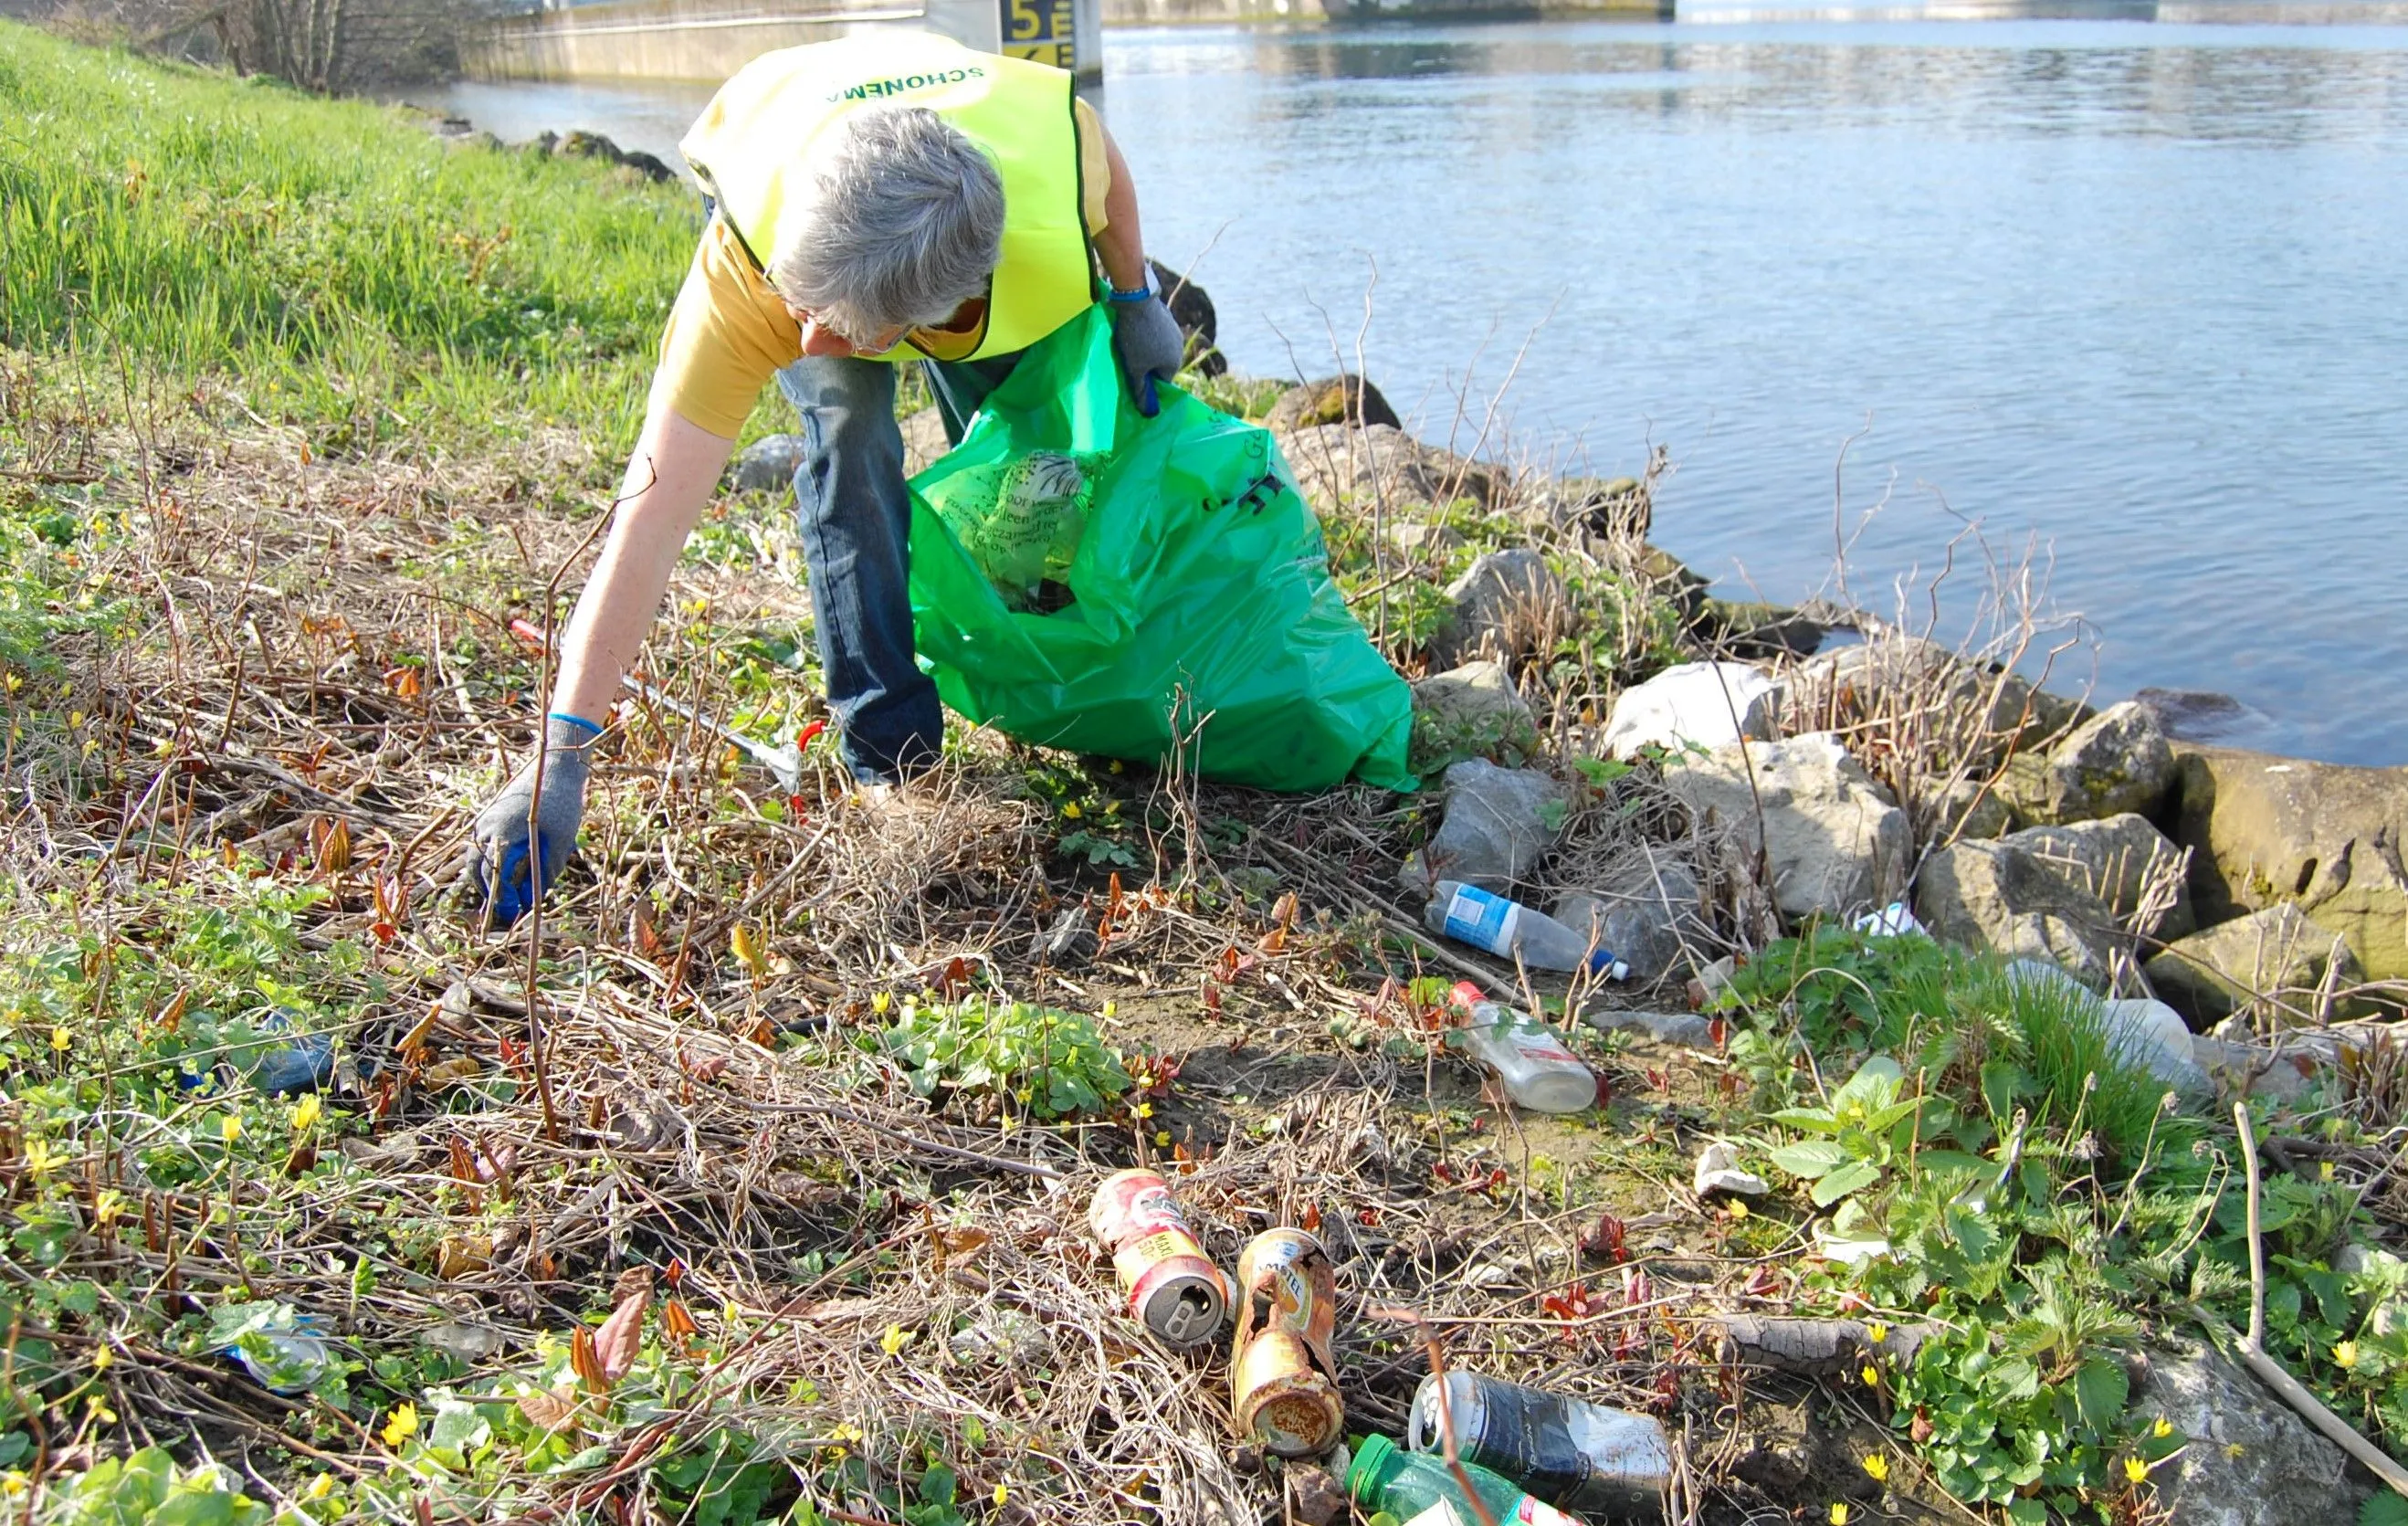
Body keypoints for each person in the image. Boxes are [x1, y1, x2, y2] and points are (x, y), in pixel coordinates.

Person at [464, 29, 1185, 925]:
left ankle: (1034, 666)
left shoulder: (1047, 189)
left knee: (1035, 459)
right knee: (849, 432)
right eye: (807, 310)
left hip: (967, 208)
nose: (807, 341)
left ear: (933, 316)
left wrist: (1131, 296)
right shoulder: (755, 275)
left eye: (836, 322)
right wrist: (561, 752)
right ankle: (895, 754)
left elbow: (1099, 157)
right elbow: (645, 525)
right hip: (817, 153)